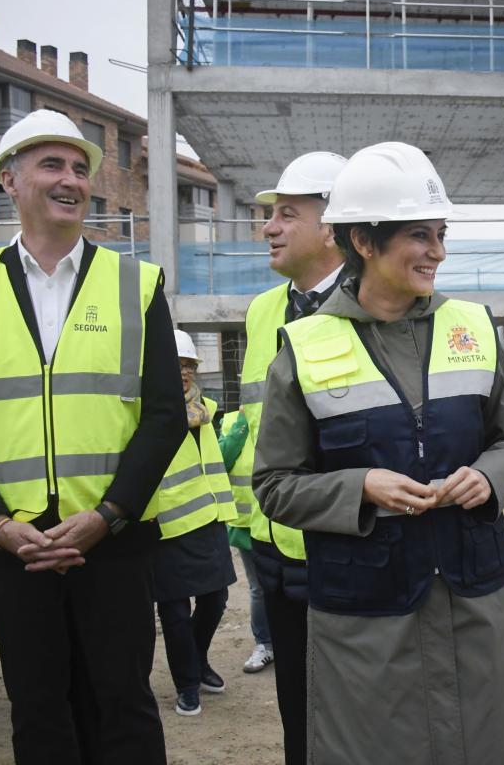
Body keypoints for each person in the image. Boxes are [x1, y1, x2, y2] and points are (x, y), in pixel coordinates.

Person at [254, 142, 504, 765]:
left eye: (440, 234)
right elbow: (275, 485)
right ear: (363, 241)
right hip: (367, 617)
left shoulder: (474, 327)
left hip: (474, 600)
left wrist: (488, 476)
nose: (438, 251)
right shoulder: (303, 347)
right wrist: (360, 487)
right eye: (419, 235)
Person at [0, 109, 184, 763]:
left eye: (81, 169)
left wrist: (108, 515)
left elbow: (165, 413)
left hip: (111, 541)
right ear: (7, 179)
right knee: (38, 712)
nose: (71, 180)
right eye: (52, 164)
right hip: (13, 547)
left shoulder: (135, 282)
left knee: (124, 706)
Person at [234, 150, 349, 765]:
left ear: (332, 226)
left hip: (352, 550)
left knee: (359, 715)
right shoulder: (262, 311)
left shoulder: (380, 302)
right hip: (277, 549)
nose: (268, 228)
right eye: (270, 214)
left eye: (286, 214)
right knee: (297, 714)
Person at [152, 330, 238, 717]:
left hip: (209, 517)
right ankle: (186, 684)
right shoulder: (151, 413)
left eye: (189, 365)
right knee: (173, 611)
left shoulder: (205, 412)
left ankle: (197, 661)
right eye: (177, 365)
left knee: (216, 600)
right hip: (168, 523)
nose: (185, 372)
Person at [218, 407, 275, 674]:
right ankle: (264, 644)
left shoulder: (281, 411)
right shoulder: (231, 420)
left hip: (283, 524)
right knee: (258, 588)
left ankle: (294, 642)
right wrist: (242, 422)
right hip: (247, 525)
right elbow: (222, 459)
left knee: (293, 585)